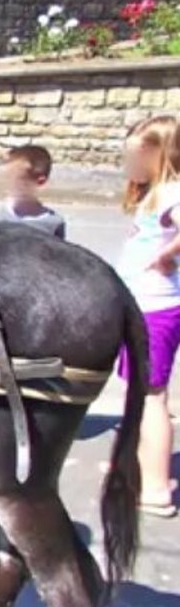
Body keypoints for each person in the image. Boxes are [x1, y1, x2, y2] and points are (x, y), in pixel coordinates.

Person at [117, 115, 180, 519]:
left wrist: (167, 255)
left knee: (153, 396)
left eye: (137, 158)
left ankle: (156, 486)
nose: (130, 166)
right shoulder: (153, 191)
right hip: (141, 304)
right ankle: (136, 466)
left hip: (156, 307)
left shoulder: (172, 191)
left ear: (163, 154)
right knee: (137, 392)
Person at [0, 145, 66, 239]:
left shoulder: (53, 223)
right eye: (7, 178)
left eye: (18, 179)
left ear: (40, 182)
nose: (10, 184)